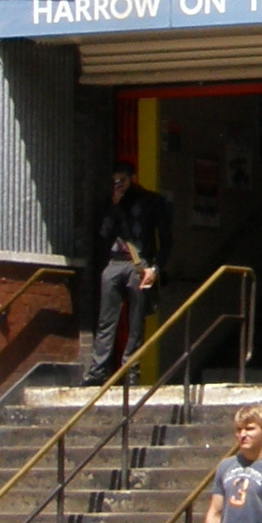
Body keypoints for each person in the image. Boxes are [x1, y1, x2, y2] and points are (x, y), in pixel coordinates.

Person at [80, 162, 173, 382]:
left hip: (139, 264)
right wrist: (113, 206)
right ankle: (97, 372)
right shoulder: (112, 203)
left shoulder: (152, 202)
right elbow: (102, 234)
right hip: (115, 262)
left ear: (133, 177)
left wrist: (155, 268)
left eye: (122, 180)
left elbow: (167, 240)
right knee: (106, 320)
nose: (118, 184)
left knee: (136, 322)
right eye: (115, 181)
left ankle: (131, 371)